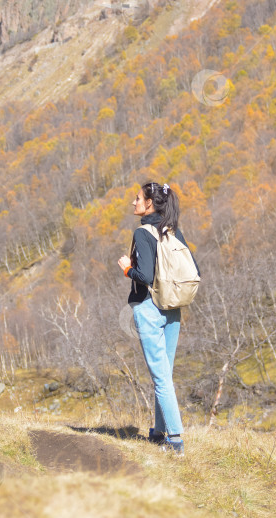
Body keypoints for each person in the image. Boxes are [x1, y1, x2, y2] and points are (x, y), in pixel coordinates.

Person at [117, 181, 200, 456]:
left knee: (160, 377)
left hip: (149, 307)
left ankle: (175, 439)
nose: (134, 202)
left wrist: (127, 268)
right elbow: (193, 269)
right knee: (165, 374)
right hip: (173, 307)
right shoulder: (172, 231)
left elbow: (144, 275)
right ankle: (159, 431)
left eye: (138, 198)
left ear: (150, 203)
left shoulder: (142, 233)